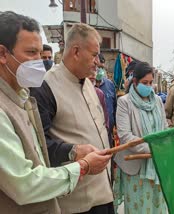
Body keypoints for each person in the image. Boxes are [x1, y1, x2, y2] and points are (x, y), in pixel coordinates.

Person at [0, 11, 112, 213]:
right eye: (31, 53)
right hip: (75, 201)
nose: (39, 61)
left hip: (99, 194)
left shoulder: (22, 97)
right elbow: (25, 182)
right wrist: (80, 161)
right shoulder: (44, 88)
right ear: (2, 54)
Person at [30, 23, 114, 213]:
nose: (98, 62)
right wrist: (73, 151)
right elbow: (38, 146)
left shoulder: (89, 85)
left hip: (104, 194)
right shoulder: (45, 87)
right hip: (77, 203)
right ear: (76, 51)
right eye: (93, 55)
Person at [114, 61, 168, 213]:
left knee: (157, 206)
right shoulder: (124, 102)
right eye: (145, 82)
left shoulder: (157, 100)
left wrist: (163, 146)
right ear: (135, 81)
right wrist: (152, 149)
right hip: (135, 168)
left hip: (157, 166)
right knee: (139, 208)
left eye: (151, 83)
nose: (149, 86)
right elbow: (125, 136)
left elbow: (164, 127)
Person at [96, 53, 117, 148]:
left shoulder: (110, 85)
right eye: (97, 67)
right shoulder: (86, 85)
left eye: (102, 68)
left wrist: (115, 126)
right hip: (94, 133)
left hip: (108, 132)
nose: (99, 70)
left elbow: (114, 107)